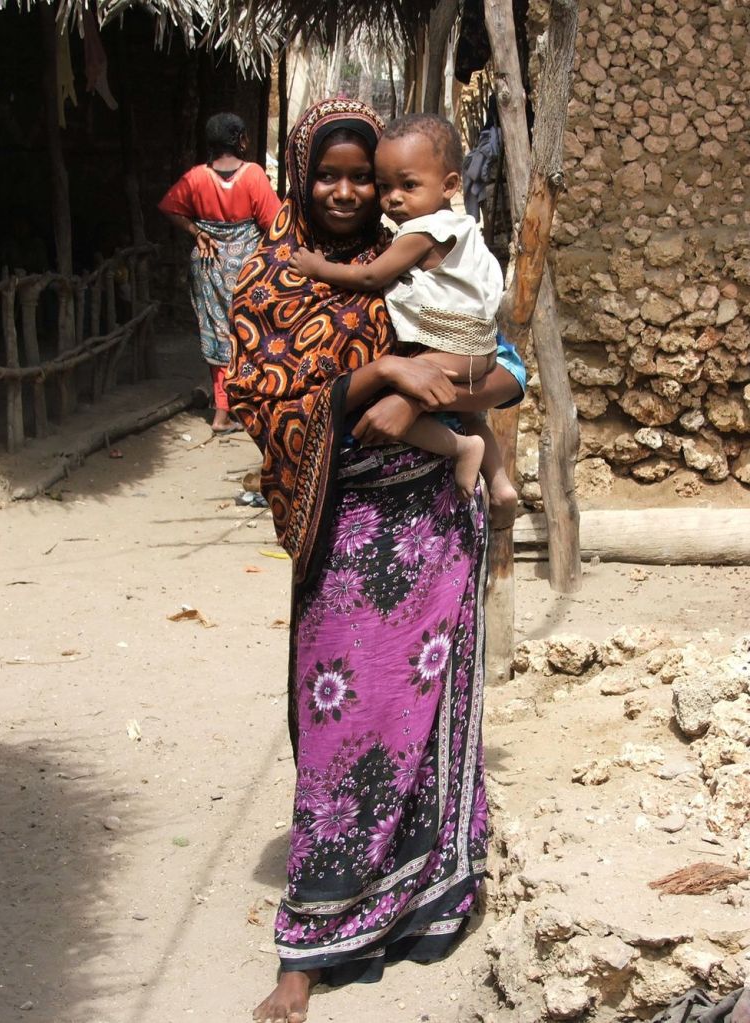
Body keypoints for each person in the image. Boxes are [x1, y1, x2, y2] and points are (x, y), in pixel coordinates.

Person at [225, 99, 524, 1023]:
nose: (351, 191)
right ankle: (307, 944)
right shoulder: (272, 280)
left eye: (369, 175)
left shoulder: (421, 262)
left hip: (437, 524)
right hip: (348, 542)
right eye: (332, 173)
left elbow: (505, 368)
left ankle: (426, 898)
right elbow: (265, 402)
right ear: (300, 175)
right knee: (342, 728)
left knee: (428, 714)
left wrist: (433, 394)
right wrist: (383, 378)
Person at [289, 113, 519, 519]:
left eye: (407, 185)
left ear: (448, 184)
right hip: (350, 515)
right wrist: (382, 373)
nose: (392, 198)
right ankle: (498, 481)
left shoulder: (416, 236)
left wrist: (406, 401)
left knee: (408, 405)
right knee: (470, 417)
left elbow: (511, 373)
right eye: (383, 186)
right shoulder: (462, 230)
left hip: (438, 506)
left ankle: (462, 447)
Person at [159, 112, 280, 432]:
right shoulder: (253, 175)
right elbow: (275, 223)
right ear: (241, 141)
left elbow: (168, 207)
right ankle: (248, 408)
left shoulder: (196, 177)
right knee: (251, 335)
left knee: (217, 336)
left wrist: (196, 231)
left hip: (208, 264)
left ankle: (221, 413)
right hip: (246, 268)